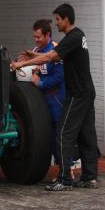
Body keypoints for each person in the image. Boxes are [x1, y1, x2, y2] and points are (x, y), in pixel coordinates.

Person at [11, 3, 98, 191]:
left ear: (66, 19)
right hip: (87, 92)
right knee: (86, 134)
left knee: (62, 133)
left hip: (77, 94)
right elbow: (55, 57)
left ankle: (65, 179)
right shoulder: (78, 36)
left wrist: (19, 65)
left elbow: (50, 57)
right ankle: (89, 177)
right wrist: (33, 54)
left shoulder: (72, 37)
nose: (56, 23)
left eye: (58, 19)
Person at [20, 19, 65, 165]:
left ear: (47, 35)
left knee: (61, 135)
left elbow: (60, 76)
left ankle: (67, 170)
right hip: (42, 100)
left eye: (38, 37)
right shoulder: (35, 51)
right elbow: (33, 70)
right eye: (34, 37)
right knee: (48, 135)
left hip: (57, 99)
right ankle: (59, 168)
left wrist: (40, 83)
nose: (36, 40)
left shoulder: (55, 50)